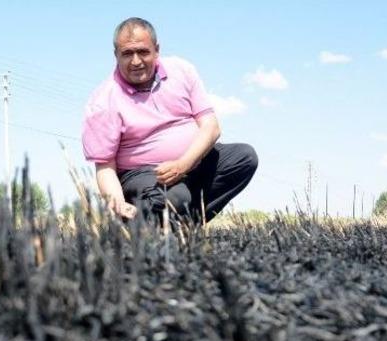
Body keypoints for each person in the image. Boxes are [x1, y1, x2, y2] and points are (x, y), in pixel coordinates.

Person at [81, 17, 258, 225]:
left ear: (156, 50)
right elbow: (105, 168)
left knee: (244, 157)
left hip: (190, 162)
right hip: (143, 175)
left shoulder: (182, 70)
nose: (136, 61)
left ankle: (182, 224)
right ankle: (142, 225)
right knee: (176, 197)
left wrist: (183, 165)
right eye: (127, 54)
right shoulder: (103, 100)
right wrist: (117, 203)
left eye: (143, 52)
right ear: (116, 55)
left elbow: (211, 127)